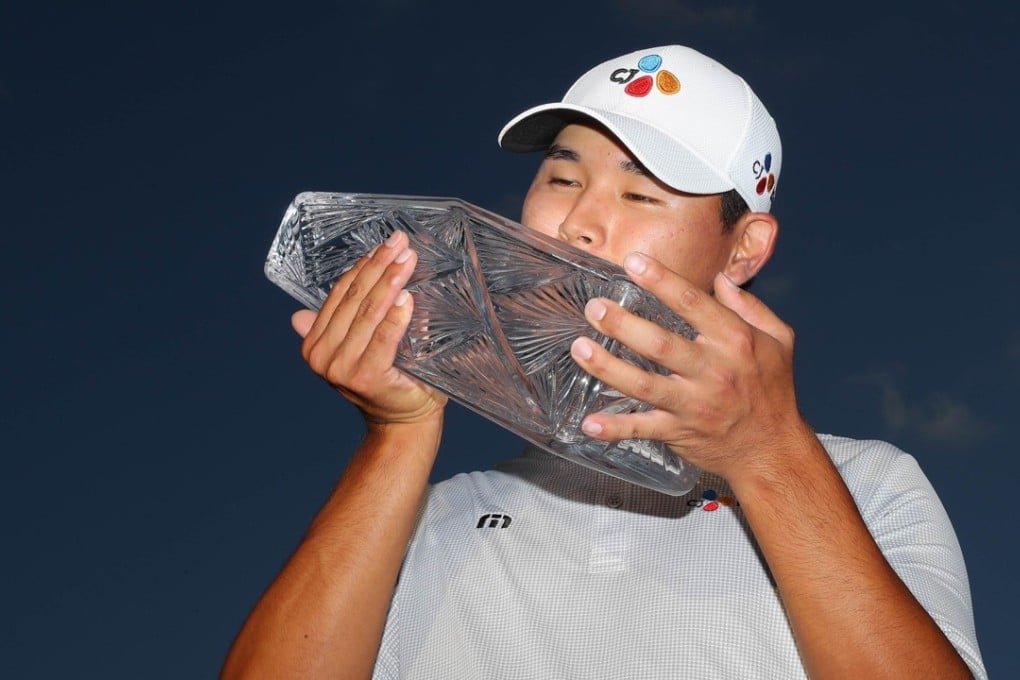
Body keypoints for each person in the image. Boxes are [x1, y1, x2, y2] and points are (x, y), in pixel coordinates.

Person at [222, 45, 986, 679]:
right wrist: (399, 432)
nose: (578, 223)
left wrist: (768, 458)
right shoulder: (433, 516)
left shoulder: (866, 485)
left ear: (744, 248)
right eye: (562, 179)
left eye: (641, 195)